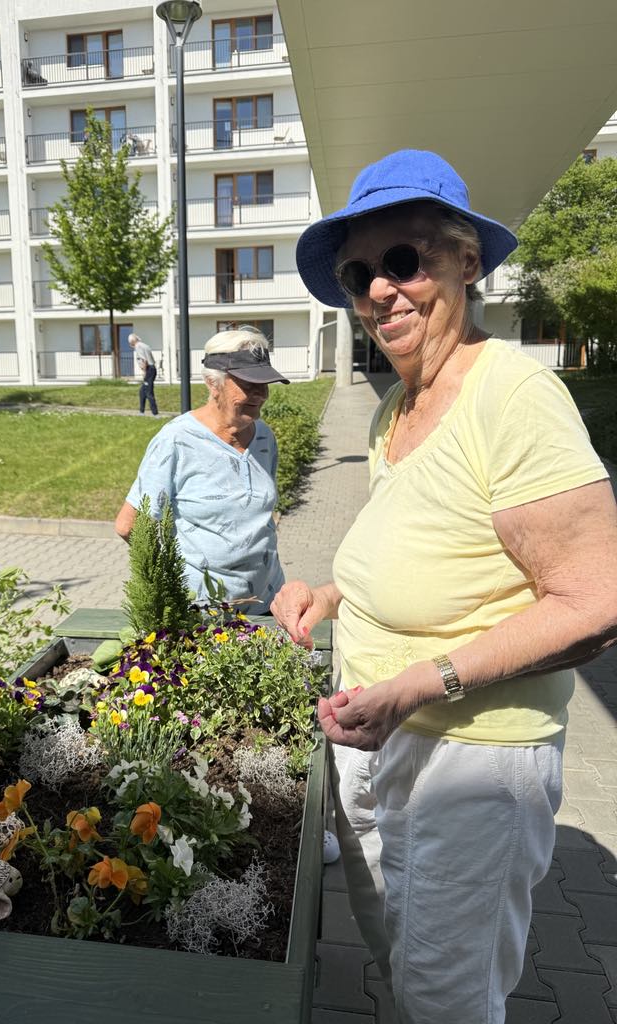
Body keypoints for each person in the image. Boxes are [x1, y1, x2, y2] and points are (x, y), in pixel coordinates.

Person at [270, 149, 617, 1023]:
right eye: (359, 274)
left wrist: (423, 683)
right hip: (375, 733)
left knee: (447, 999)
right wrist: (330, 595)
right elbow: (419, 539)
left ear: (466, 262)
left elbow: (597, 602)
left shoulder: (514, 395)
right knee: (397, 958)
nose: (381, 291)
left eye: (404, 260)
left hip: (471, 762)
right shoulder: (399, 404)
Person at [115, 327, 288, 613]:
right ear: (212, 383)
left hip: (269, 602)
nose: (261, 394)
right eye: (248, 383)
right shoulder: (177, 440)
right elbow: (129, 525)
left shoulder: (264, 437)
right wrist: (170, 579)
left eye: (265, 383)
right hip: (205, 615)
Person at [128, 332, 158, 416]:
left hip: (149, 370)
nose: (130, 344)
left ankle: (155, 413)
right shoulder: (144, 345)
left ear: (132, 341)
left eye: (130, 342)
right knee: (142, 392)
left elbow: (144, 360)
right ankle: (141, 412)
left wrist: (144, 372)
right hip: (152, 369)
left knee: (149, 392)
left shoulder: (138, 346)